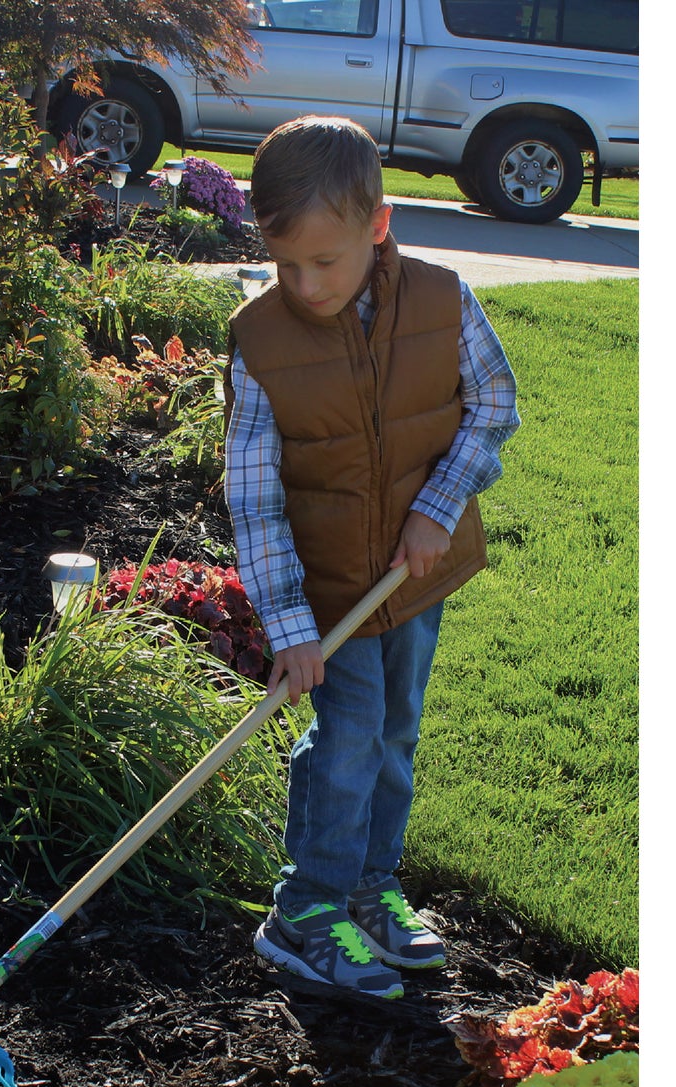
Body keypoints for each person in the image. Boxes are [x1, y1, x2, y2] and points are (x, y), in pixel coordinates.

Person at [223, 116, 520, 999]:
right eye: (287, 265)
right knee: (348, 737)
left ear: (379, 225)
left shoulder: (443, 299)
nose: (306, 286)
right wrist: (288, 627)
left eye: (326, 261)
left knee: (396, 730)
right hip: (327, 594)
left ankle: (370, 885)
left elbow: (492, 402)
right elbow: (254, 496)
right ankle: (305, 909)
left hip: (413, 575)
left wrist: (439, 507)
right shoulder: (260, 344)